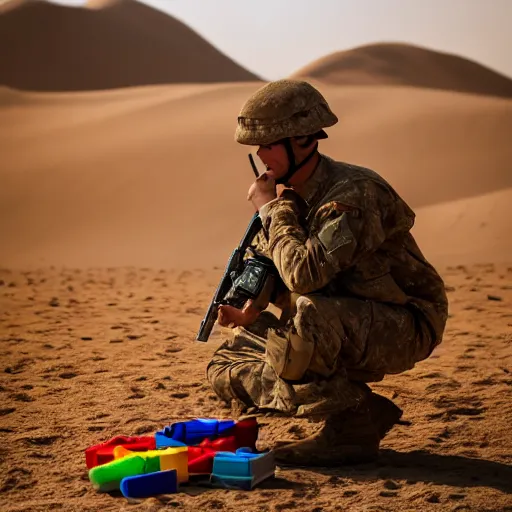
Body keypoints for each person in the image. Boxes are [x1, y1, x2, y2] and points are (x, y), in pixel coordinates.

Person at [206, 79, 448, 466]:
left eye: (268, 143)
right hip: (341, 316)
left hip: (405, 323)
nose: (259, 153)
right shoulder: (295, 195)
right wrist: (252, 309)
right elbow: (278, 267)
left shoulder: (353, 194)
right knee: (225, 367)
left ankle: (351, 424)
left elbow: (304, 275)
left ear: (302, 141)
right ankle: (356, 406)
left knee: (308, 326)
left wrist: (271, 211)